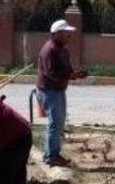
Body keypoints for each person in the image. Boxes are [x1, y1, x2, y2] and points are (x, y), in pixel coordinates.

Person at [36, 19, 87, 167]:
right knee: (54, 123)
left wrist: (75, 74)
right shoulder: (49, 50)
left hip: (58, 90)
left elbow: (67, 69)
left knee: (58, 123)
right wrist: (70, 76)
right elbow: (52, 73)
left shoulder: (62, 50)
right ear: (57, 33)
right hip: (49, 91)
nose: (69, 36)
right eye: (66, 33)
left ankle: (53, 154)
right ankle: (51, 156)